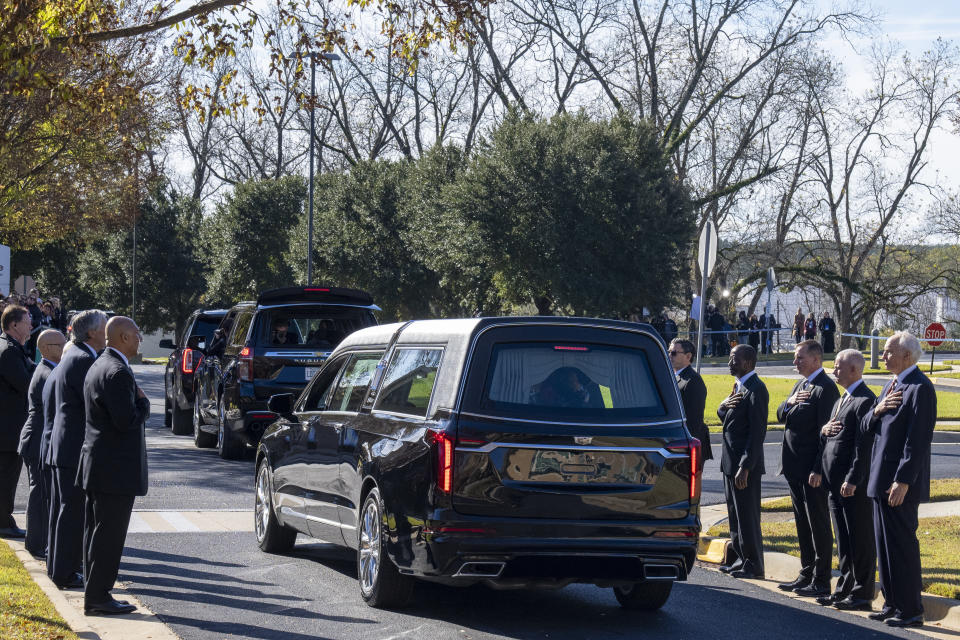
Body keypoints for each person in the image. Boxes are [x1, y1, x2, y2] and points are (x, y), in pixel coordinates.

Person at [861, 331, 936, 628]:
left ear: (907, 355)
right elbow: (867, 425)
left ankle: (910, 608)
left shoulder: (920, 387)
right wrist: (877, 409)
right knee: (885, 545)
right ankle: (892, 603)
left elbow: (916, 441)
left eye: (888, 351)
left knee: (902, 546)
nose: (882, 356)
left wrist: (903, 480)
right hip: (880, 478)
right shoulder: (890, 385)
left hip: (899, 483)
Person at [78, 317, 149, 616]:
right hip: (114, 470)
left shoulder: (100, 363)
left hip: (100, 465)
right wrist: (144, 405)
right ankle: (98, 597)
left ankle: (95, 593)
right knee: (108, 536)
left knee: (96, 532)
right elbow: (126, 420)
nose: (139, 339)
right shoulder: (117, 371)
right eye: (136, 335)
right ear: (122, 336)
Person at [45, 309, 108, 589]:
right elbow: (94, 404)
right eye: (105, 326)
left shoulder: (74, 354)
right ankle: (64, 573)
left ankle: (58, 568)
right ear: (92, 332)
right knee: (71, 513)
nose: (108, 330)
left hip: (65, 443)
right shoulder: (83, 359)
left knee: (64, 510)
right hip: (73, 447)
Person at [775, 340, 840, 597]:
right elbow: (781, 414)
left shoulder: (825, 388)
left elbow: (826, 435)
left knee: (818, 524)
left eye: (800, 357)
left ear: (815, 360)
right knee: (802, 523)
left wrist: (818, 468)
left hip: (811, 472)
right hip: (793, 467)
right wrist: (790, 402)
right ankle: (806, 572)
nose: (795, 361)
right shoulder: (802, 384)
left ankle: (822, 579)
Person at [815, 349, 877, 611]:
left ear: (854, 370)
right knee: (843, 540)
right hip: (834, 484)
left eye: (839, 367)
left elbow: (863, 447)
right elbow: (830, 438)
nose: (834, 371)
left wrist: (853, 479)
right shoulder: (843, 399)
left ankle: (862, 594)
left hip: (853, 486)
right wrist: (822, 431)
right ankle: (844, 589)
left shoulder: (865, 400)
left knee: (859, 540)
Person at [717, 344, 768, 579]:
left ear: (747, 363)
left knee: (747, 516)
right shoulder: (739, 387)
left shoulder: (756, 388)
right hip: (730, 462)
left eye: (733, 359)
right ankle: (740, 557)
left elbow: (757, 432)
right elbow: (728, 417)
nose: (730, 362)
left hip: (743, 466)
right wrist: (722, 406)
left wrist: (745, 466)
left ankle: (754, 564)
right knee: (735, 514)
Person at [18, 329, 65, 557]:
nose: (64, 347)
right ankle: (36, 544)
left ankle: (40, 542)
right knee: (39, 494)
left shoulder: (50, 369)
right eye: (59, 344)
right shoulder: (47, 372)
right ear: (45, 348)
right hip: (36, 439)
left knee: (43, 493)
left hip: (37, 438)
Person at [0, 305, 36, 537]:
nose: (30, 325)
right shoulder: (8, 351)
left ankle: (6, 518)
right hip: (7, 428)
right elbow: (25, 385)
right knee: (5, 476)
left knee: (8, 477)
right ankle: (2, 522)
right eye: (27, 321)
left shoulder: (13, 348)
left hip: (10, 426)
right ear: (14, 325)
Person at [670, 339, 712, 468]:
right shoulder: (677, 376)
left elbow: (694, 421)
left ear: (688, 356)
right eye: (668, 352)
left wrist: (684, 449)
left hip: (689, 448)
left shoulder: (693, 381)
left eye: (673, 353)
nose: (669, 356)